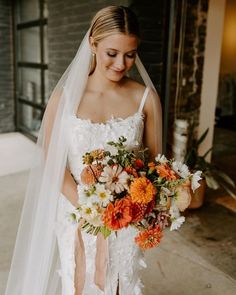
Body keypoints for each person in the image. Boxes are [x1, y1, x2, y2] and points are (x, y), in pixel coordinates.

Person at [5, 5, 162, 295]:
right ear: (93, 43)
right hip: (78, 213)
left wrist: (133, 206)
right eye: (112, 53)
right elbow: (49, 159)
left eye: (130, 54)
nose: (121, 64)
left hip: (128, 219)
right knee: (78, 282)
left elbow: (154, 165)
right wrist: (90, 207)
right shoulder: (65, 98)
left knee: (121, 283)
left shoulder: (146, 99)